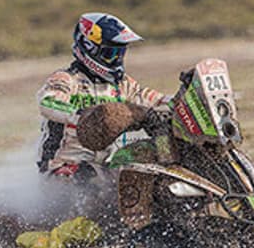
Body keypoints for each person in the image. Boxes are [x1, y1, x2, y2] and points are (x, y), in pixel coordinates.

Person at [36, 12, 168, 184]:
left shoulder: (124, 85)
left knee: (148, 168)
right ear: (89, 47)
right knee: (88, 179)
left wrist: (185, 99)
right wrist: (82, 115)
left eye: (120, 53)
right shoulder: (66, 78)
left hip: (107, 166)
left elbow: (155, 100)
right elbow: (47, 102)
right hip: (63, 167)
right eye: (110, 53)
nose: (117, 59)